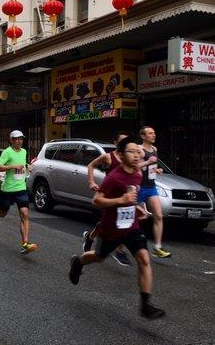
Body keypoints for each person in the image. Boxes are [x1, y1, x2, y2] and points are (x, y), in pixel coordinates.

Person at [69, 136, 165, 319]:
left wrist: (136, 207)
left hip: (131, 227)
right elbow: (96, 200)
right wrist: (120, 201)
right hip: (111, 228)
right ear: (121, 155)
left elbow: (130, 197)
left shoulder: (137, 173)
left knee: (144, 258)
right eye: (132, 152)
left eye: (139, 152)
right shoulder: (114, 177)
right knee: (98, 257)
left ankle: (145, 305)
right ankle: (78, 262)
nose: (137, 155)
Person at [0, 130, 38, 255]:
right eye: (17, 139)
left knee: (24, 214)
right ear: (11, 140)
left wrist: (27, 166)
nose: (20, 141)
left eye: (21, 139)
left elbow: (22, 164)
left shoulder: (24, 151)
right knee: (2, 213)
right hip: (7, 189)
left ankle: (25, 244)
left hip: (21, 189)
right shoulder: (7, 152)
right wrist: (12, 167)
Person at [84, 132, 133, 267]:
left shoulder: (129, 158)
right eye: (122, 141)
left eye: (126, 141)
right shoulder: (108, 157)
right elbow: (91, 165)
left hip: (124, 196)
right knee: (113, 222)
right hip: (109, 196)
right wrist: (91, 182)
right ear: (115, 143)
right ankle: (118, 251)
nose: (125, 144)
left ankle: (91, 237)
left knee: (118, 221)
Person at [138, 126, 170, 258]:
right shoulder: (139, 150)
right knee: (133, 217)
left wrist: (156, 170)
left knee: (158, 215)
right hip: (139, 187)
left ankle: (157, 247)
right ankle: (119, 248)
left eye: (154, 133)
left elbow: (151, 166)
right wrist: (147, 162)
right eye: (150, 133)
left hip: (151, 187)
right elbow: (135, 167)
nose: (154, 135)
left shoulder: (154, 149)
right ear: (143, 136)